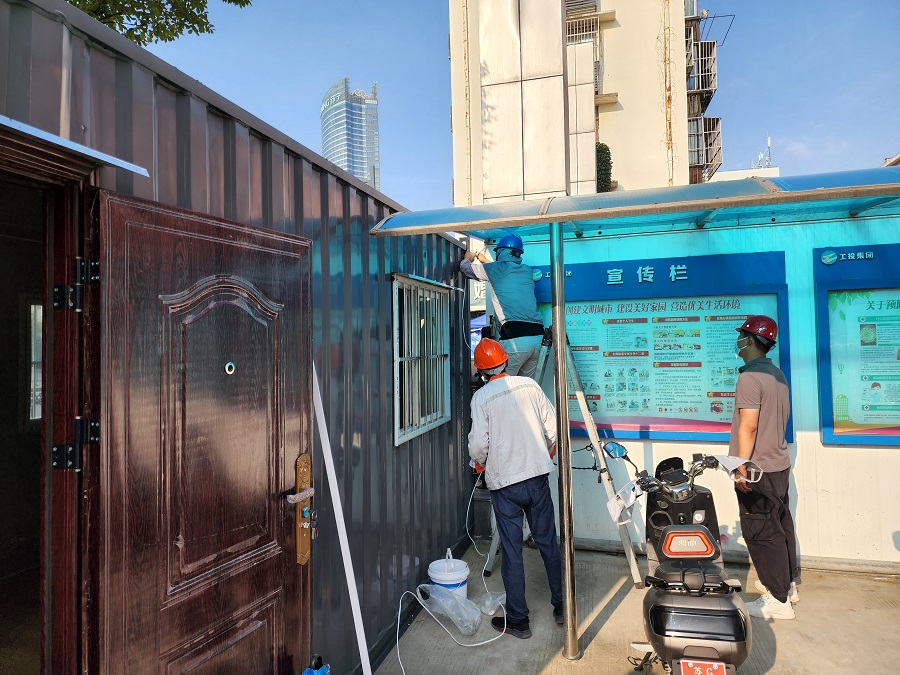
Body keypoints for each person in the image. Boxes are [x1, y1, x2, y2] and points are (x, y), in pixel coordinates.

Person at [468, 338, 562, 638]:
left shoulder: (481, 397)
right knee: (548, 543)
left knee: (512, 551)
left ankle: (519, 621)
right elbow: (553, 429)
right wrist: (544, 453)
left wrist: (481, 463)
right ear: (506, 361)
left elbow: (478, 446)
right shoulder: (530, 386)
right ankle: (563, 607)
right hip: (537, 478)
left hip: (505, 485)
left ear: (480, 371)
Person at [730, 315, 800, 620]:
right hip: (778, 464)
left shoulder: (750, 378)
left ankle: (777, 599)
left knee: (761, 531)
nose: (738, 342)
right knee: (781, 525)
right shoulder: (777, 374)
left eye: (741, 336)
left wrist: (741, 467)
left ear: (749, 341)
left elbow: (749, 425)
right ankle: (788, 585)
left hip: (757, 468)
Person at [460, 234, 545, 379]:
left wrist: (468, 258)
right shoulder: (526, 270)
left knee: (502, 384)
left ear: (500, 252)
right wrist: (486, 261)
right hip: (537, 338)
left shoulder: (494, 269)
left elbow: (465, 268)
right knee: (526, 386)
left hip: (516, 337)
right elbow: (504, 272)